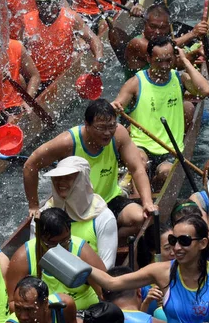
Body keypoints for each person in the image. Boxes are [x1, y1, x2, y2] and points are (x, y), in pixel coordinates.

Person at [23, 99, 155, 246]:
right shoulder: (67, 142)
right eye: (101, 128)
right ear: (87, 124)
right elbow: (30, 165)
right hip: (73, 207)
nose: (107, 133)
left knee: (142, 220)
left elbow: (137, 168)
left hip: (109, 199)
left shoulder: (119, 135)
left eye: (111, 126)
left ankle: (106, 240)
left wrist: (147, 202)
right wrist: (33, 206)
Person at [112, 36, 209, 189]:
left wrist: (185, 62)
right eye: (159, 61)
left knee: (166, 173)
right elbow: (115, 108)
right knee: (139, 162)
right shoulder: (136, 83)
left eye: (168, 60)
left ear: (174, 57)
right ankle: (137, 196)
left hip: (171, 149)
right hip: (141, 146)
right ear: (149, 58)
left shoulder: (180, 79)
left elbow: (205, 90)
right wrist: (115, 108)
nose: (165, 66)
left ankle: (153, 189)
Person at [6, 208, 106, 311]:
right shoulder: (22, 258)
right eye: (53, 244)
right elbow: (13, 303)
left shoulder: (82, 251)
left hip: (84, 313)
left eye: (65, 241)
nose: (61, 248)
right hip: (43, 316)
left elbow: (106, 293)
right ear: (38, 237)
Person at [37, 157, 118, 268]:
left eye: (68, 178)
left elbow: (107, 266)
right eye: (57, 178)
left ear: (82, 180)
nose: (61, 182)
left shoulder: (103, 217)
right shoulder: (42, 216)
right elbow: (35, 253)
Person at [22, 0, 104, 92]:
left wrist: (98, 59)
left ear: (57, 1)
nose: (44, 7)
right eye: (39, 3)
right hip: (36, 81)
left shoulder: (70, 18)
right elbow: (19, 53)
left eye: (48, 2)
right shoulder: (26, 21)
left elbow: (93, 38)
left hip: (62, 78)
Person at [125, 4, 209, 77]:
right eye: (152, 26)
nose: (157, 32)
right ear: (145, 24)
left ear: (169, 28)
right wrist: (193, 36)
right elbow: (176, 64)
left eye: (162, 28)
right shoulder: (138, 42)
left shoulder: (164, 42)